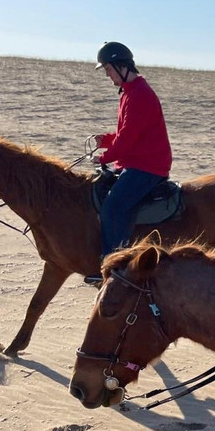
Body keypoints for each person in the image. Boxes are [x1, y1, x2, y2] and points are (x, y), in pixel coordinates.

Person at [85, 41, 172, 285]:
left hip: (148, 166)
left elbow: (128, 139)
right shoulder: (130, 92)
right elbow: (125, 132)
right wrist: (105, 140)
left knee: (113, 208)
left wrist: (103, 157)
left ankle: (116, 269)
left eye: (108, 70)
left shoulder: (140, 95)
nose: (107, 75)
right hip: (133, 162)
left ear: (121, 66)